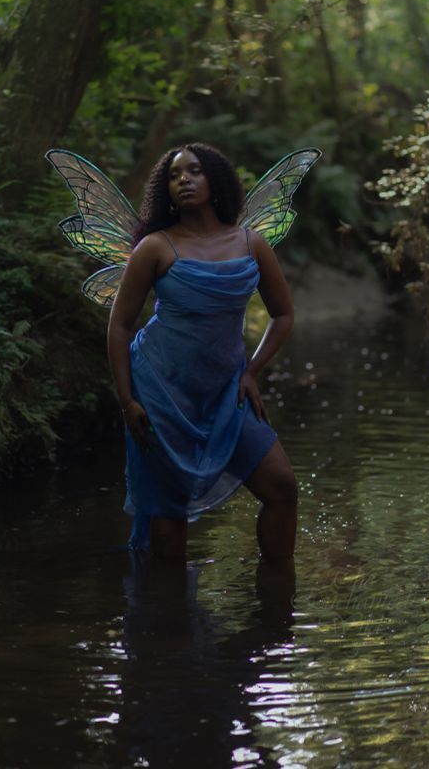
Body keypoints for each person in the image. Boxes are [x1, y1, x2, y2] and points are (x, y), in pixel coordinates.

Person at [107, 143, 297, 561]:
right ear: (166, 189)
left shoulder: (252, 244)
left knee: (282, 487)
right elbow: (120, 325)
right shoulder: (155, 247)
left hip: (228, 388)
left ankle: (277, 608)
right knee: (168, 519)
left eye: (194, 171)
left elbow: (283, 315)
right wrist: (127, 400)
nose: (184, 181)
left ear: (216, 180)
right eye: (174, 176)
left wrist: (252, 371)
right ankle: (167, 622)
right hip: (161, 390)